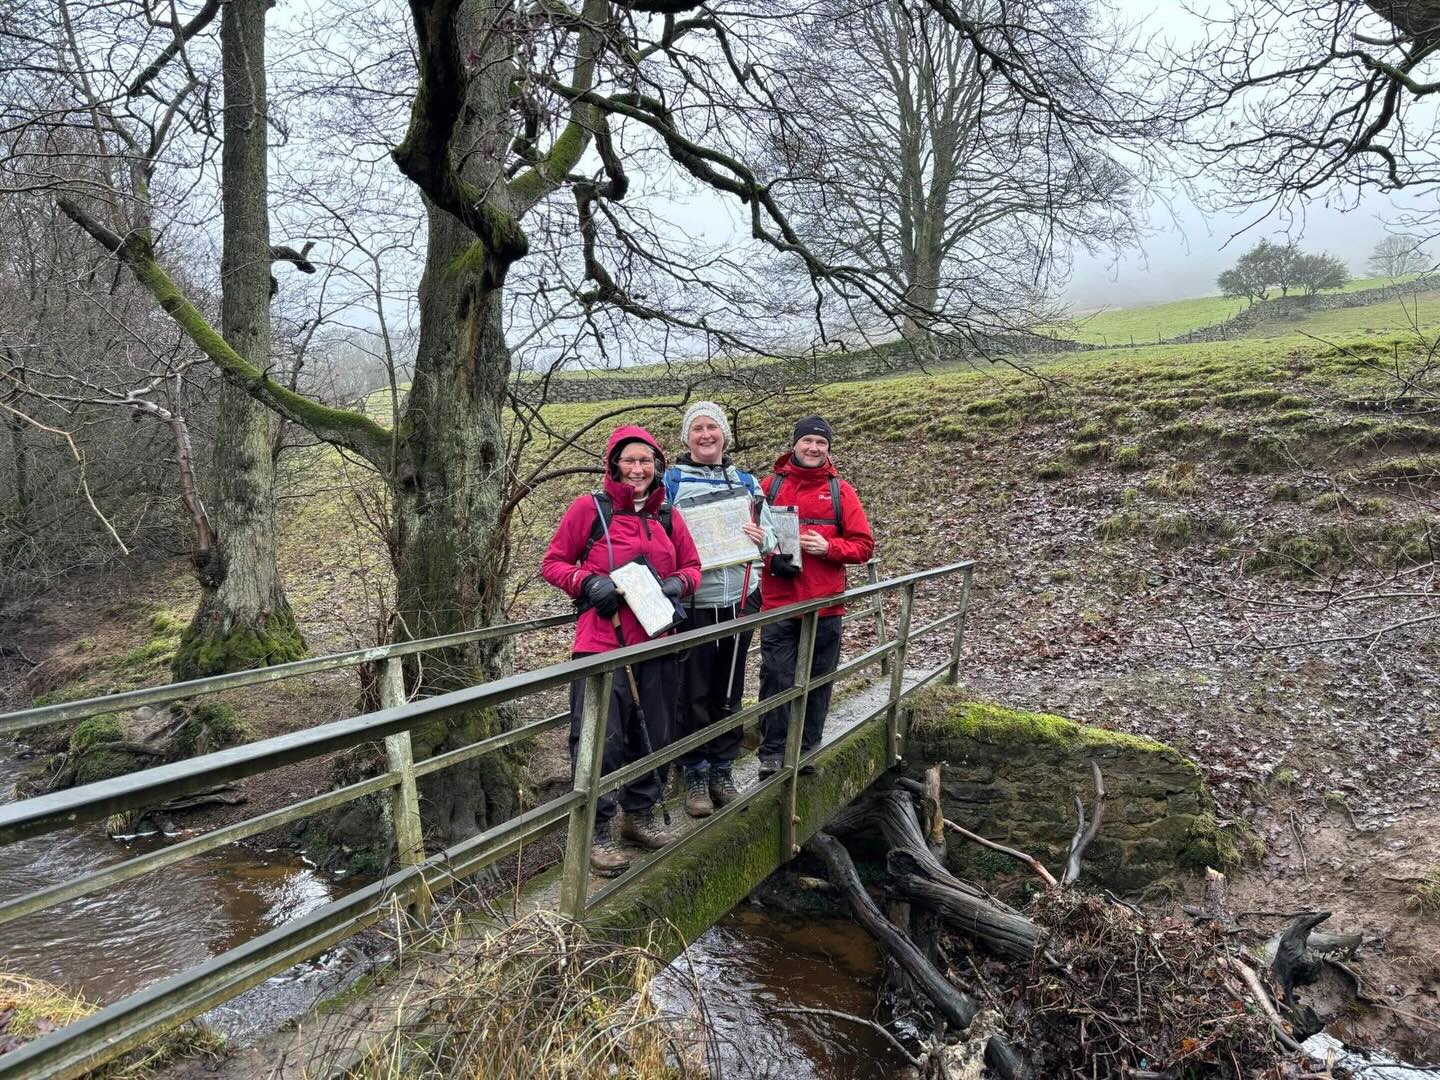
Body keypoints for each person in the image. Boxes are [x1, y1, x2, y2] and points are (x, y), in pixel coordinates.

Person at [541, 425, 702, 875]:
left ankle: (640, 816)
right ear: (614, 463)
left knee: (652, 733)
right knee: (600, 741)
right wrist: (587, 582)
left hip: (658, 642)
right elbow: (553, 563)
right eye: (630, 460)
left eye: (646, 461)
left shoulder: (668, 516)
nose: (638, 469)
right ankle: (596, 831)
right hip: (602, 646)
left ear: (658, 467)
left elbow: (693, 568)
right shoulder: (589, 510)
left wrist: (676, 584)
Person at [663, 402, 778, 818]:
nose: (706, 435)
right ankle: (694, 771)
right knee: (691, 691)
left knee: (729, 689)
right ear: (687, 438)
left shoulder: (746, 482)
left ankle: (722, 768)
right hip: (695, 600)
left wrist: (759, 537)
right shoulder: (670, 482)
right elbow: (657, 539)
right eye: (698, 429)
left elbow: (770, 541)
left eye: (713, 427)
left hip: (738, 600)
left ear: (724, 435)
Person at [756, 416, 875, 778]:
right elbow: (750, 539)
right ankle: (772, 754)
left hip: (825, 606)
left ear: (828, 448)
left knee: (819, 679)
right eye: (807, 440)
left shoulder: (842, 492)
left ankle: (807, 749)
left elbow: (864, 546)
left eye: (820, 443)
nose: (813, 447)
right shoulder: (769, 487)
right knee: (776, 678)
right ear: (794, 444)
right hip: (778, 604)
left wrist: (829, 547)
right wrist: (770, 556)